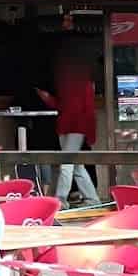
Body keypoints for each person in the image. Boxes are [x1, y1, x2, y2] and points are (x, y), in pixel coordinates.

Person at [41, 52, 100, 208]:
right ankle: (93, 200)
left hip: (74, 127)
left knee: (67, 164)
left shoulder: (82, 84)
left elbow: (87, 110)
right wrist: (48, 98)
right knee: (76, 166)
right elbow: (64, 106)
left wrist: (90, 132)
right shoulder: (68, 84)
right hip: (68, 127)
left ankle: (60, 201)